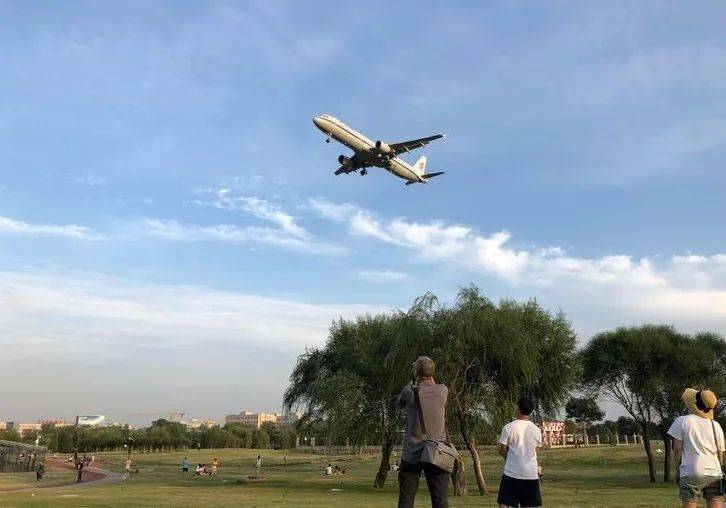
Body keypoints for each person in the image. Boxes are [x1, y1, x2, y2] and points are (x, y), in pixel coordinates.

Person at [397, 355, 450, 508]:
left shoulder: (409, 391)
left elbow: (399, 403)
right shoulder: (443, 390)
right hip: (437, 452)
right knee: (440, 499)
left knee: (406, 498)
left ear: (416, 372)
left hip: (412, 452)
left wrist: (412, 382)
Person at [668, 388, 725, 508]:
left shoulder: (682, 421)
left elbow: (678, 448)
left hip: (690, 471)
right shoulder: (715, 425)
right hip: (714, 471)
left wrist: (677, 469)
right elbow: (721, 452)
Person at [497, 395, 543, 508]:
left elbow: (502, 449)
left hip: (511, 473)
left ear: (518, 408)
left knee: (504, 503)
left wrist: (510, 459)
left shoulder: (508, 428)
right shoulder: (536, 430)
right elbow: (536, 450)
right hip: (530, 474)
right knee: (530, 504)